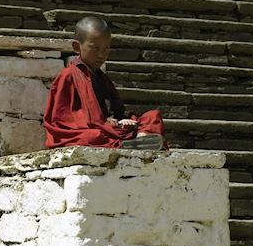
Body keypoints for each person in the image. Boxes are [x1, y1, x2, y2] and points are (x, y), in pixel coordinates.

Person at [43, 16, 166, 149]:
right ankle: (131, 145)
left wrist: (121, 121)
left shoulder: (102, 78)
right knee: (91, 137)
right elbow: (61, 121)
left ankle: (141, 140)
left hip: (111, 130)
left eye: (106, 49)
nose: (101, 55)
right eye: (95, 48)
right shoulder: (68, 76)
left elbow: (115, 111)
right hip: (91, 131)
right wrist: (106, 123)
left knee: (152, 117)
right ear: (77, 47)